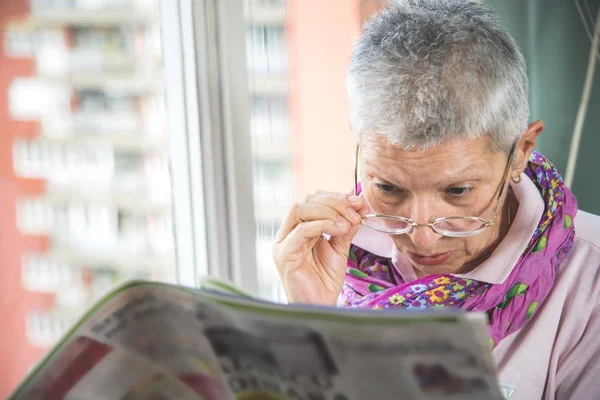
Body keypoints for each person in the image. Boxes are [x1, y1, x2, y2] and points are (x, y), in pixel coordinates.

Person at [271, 0, 600, 398]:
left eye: (457, 192)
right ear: (361, 151)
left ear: (521, 150)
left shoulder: (589, 280)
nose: (422, 240)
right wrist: (312, 324)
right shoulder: (333, 259)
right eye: (389, 188)